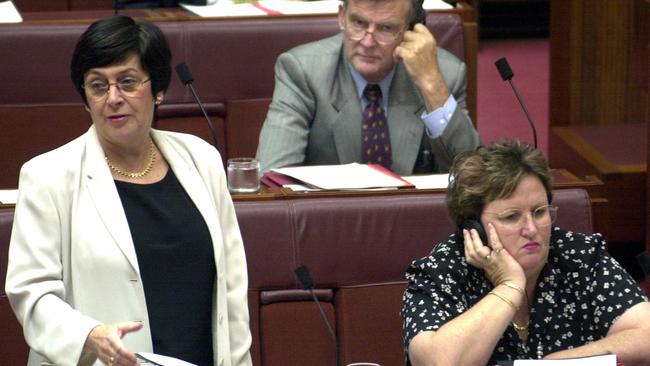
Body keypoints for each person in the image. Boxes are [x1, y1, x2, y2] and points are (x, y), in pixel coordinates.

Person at [5, 15, 252, 366]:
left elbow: (232, 288)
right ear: (85, 98)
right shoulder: (48, 176)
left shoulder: (201, 160)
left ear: (159, 89)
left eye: (127, 81)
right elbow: (31, 293)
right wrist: (88, 337)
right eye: (98, 86)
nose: (113, 98)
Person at [401, 140, 650, 365]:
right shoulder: (442, 270)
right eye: (512, 217)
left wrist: (559, 362)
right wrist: (509, 285)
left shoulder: (580, 256)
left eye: (540, 212)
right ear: (473, 225)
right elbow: (438, 362)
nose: (532, 229)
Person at [255, 0, 480, 176]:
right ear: (342, 16)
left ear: (411, 32)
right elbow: (272, 176)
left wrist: (432, 86)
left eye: (385, 28)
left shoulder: (445, 75)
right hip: (328, 224)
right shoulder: (303, 71)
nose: (368, 42)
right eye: (359, 23)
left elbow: (474, 176)